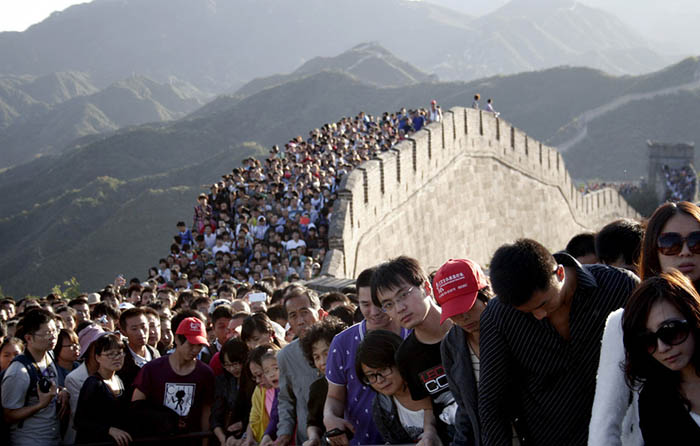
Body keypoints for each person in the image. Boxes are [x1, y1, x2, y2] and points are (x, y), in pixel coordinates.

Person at [480, 239, 638, 446]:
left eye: (544, 304)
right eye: (527, 312)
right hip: (553, 437)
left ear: (560, 274)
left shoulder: (619, 287)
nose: (539, 315)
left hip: (627, 434)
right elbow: (492, 401)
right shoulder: (499, 316)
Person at [588, 201, 699, 445]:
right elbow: (605, 425)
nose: (685, 251)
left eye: (696, 241)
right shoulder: (623, 322)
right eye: (670, 244)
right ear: (653, 252)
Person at [323, 266, 410, 446]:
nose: (374, 311)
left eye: (380, 303)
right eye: (365, 305)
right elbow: (334, 396)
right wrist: (330, 417)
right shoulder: (342, 343)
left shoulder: (413, 334)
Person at [371, 256, 457, 435]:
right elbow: (428, 407)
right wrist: (430, 434)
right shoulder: (406, 357)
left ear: (426, 287)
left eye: (403, 295)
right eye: (388, 304)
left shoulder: (464, 326)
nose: (399, 308)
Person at [622, 270, 700, 443]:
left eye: (671, 331)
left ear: (695, 319)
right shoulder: (653, 401)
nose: (662, 348)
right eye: (647, 340)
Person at [435, 259, 491, 446]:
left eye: (468, 307)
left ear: (484, 294)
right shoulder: (452, 345)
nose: (463, 317)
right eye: (454, 312)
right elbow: (465, 408)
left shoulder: (512, 326)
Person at [355, 330, 444, 445]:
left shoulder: (432, 383)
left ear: (399, 360)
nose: (380, 380)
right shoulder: (382, 406)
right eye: (371, 376)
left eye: (384, 369)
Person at [132, 316, 215, 439]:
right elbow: (136, 406)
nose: (195, 349)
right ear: (177, 339)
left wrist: (205, 441)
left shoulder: (205, 373)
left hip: (191, 439)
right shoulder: (152, 369)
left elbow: (206, 410)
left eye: (199, 345)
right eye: (191, 344)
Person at [1, 308, 68, 445]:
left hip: (53, 436)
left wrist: (62, 391)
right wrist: (40, 405)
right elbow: (8, 415)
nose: (53, 337)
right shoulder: (18, 372)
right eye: (47, 333)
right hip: (30, 439)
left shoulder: (49, 355)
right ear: (28, 338)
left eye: (55, 331)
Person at [276, 285, 326, 445]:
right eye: (293, 315)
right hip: (307, 440)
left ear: (319, 313)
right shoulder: (286, 356)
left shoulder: (339, 344)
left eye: (305, 312)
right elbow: (285, 399)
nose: (300, 321)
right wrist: (284, 432)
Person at [74, 333, 131, 445]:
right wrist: (109, 429)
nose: (116, 358)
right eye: (110, 354)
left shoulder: (120, 380)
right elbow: (80, 421)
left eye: (119, 353)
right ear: (98, 357)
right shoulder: (93, 384)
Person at [299, 317, 348, 446]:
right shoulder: (317, 388)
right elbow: (313, 422)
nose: (323, 362)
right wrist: (313, 438)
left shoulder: (357, 379)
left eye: (327, 353)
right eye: (317, 357)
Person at [211, 338, 253, 446]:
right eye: (227, 365)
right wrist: (223, 439)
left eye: (235, 363)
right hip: (228, 434)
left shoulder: (253, 380)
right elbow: (216, 415)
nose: (232, 369)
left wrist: (243, 424)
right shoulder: (223, 381)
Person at [117, 307, 160, 400]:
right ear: (124, 332)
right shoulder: (120, 358)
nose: (141, 333)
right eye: (134, 329)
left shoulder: (155, 354)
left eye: (143, 327)